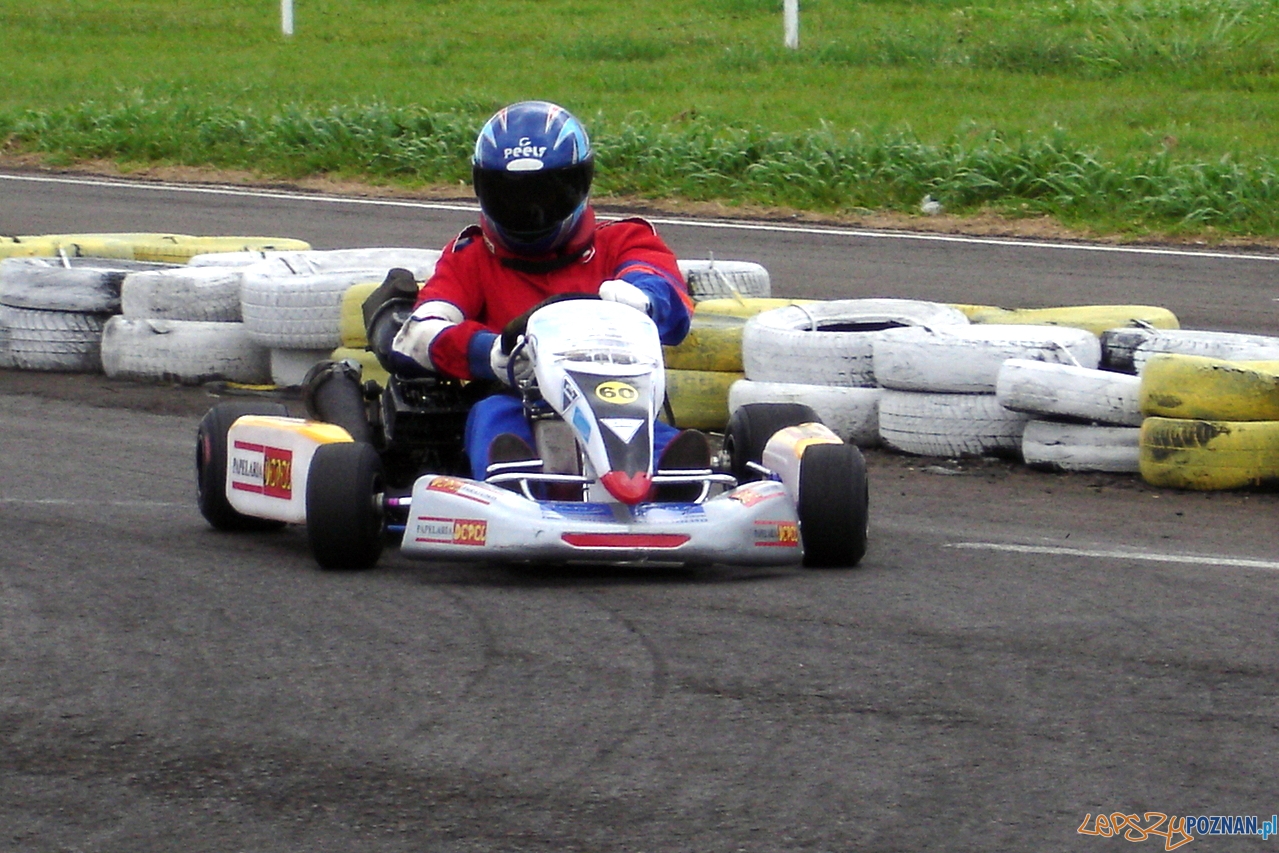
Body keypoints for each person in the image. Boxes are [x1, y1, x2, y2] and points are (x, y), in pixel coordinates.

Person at [387, 100, 707, 488]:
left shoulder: (623, 241)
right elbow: (418, 334)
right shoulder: (470, 257)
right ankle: (511, 481)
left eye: (546, 194)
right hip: (515, 398)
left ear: (579, 184)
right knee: (494, 417)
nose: (530, 211)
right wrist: (492, 354)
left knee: (642, 427)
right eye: (511, 196)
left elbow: (661, 285)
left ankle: (677, 480)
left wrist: (641, 300)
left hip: (615, 395)